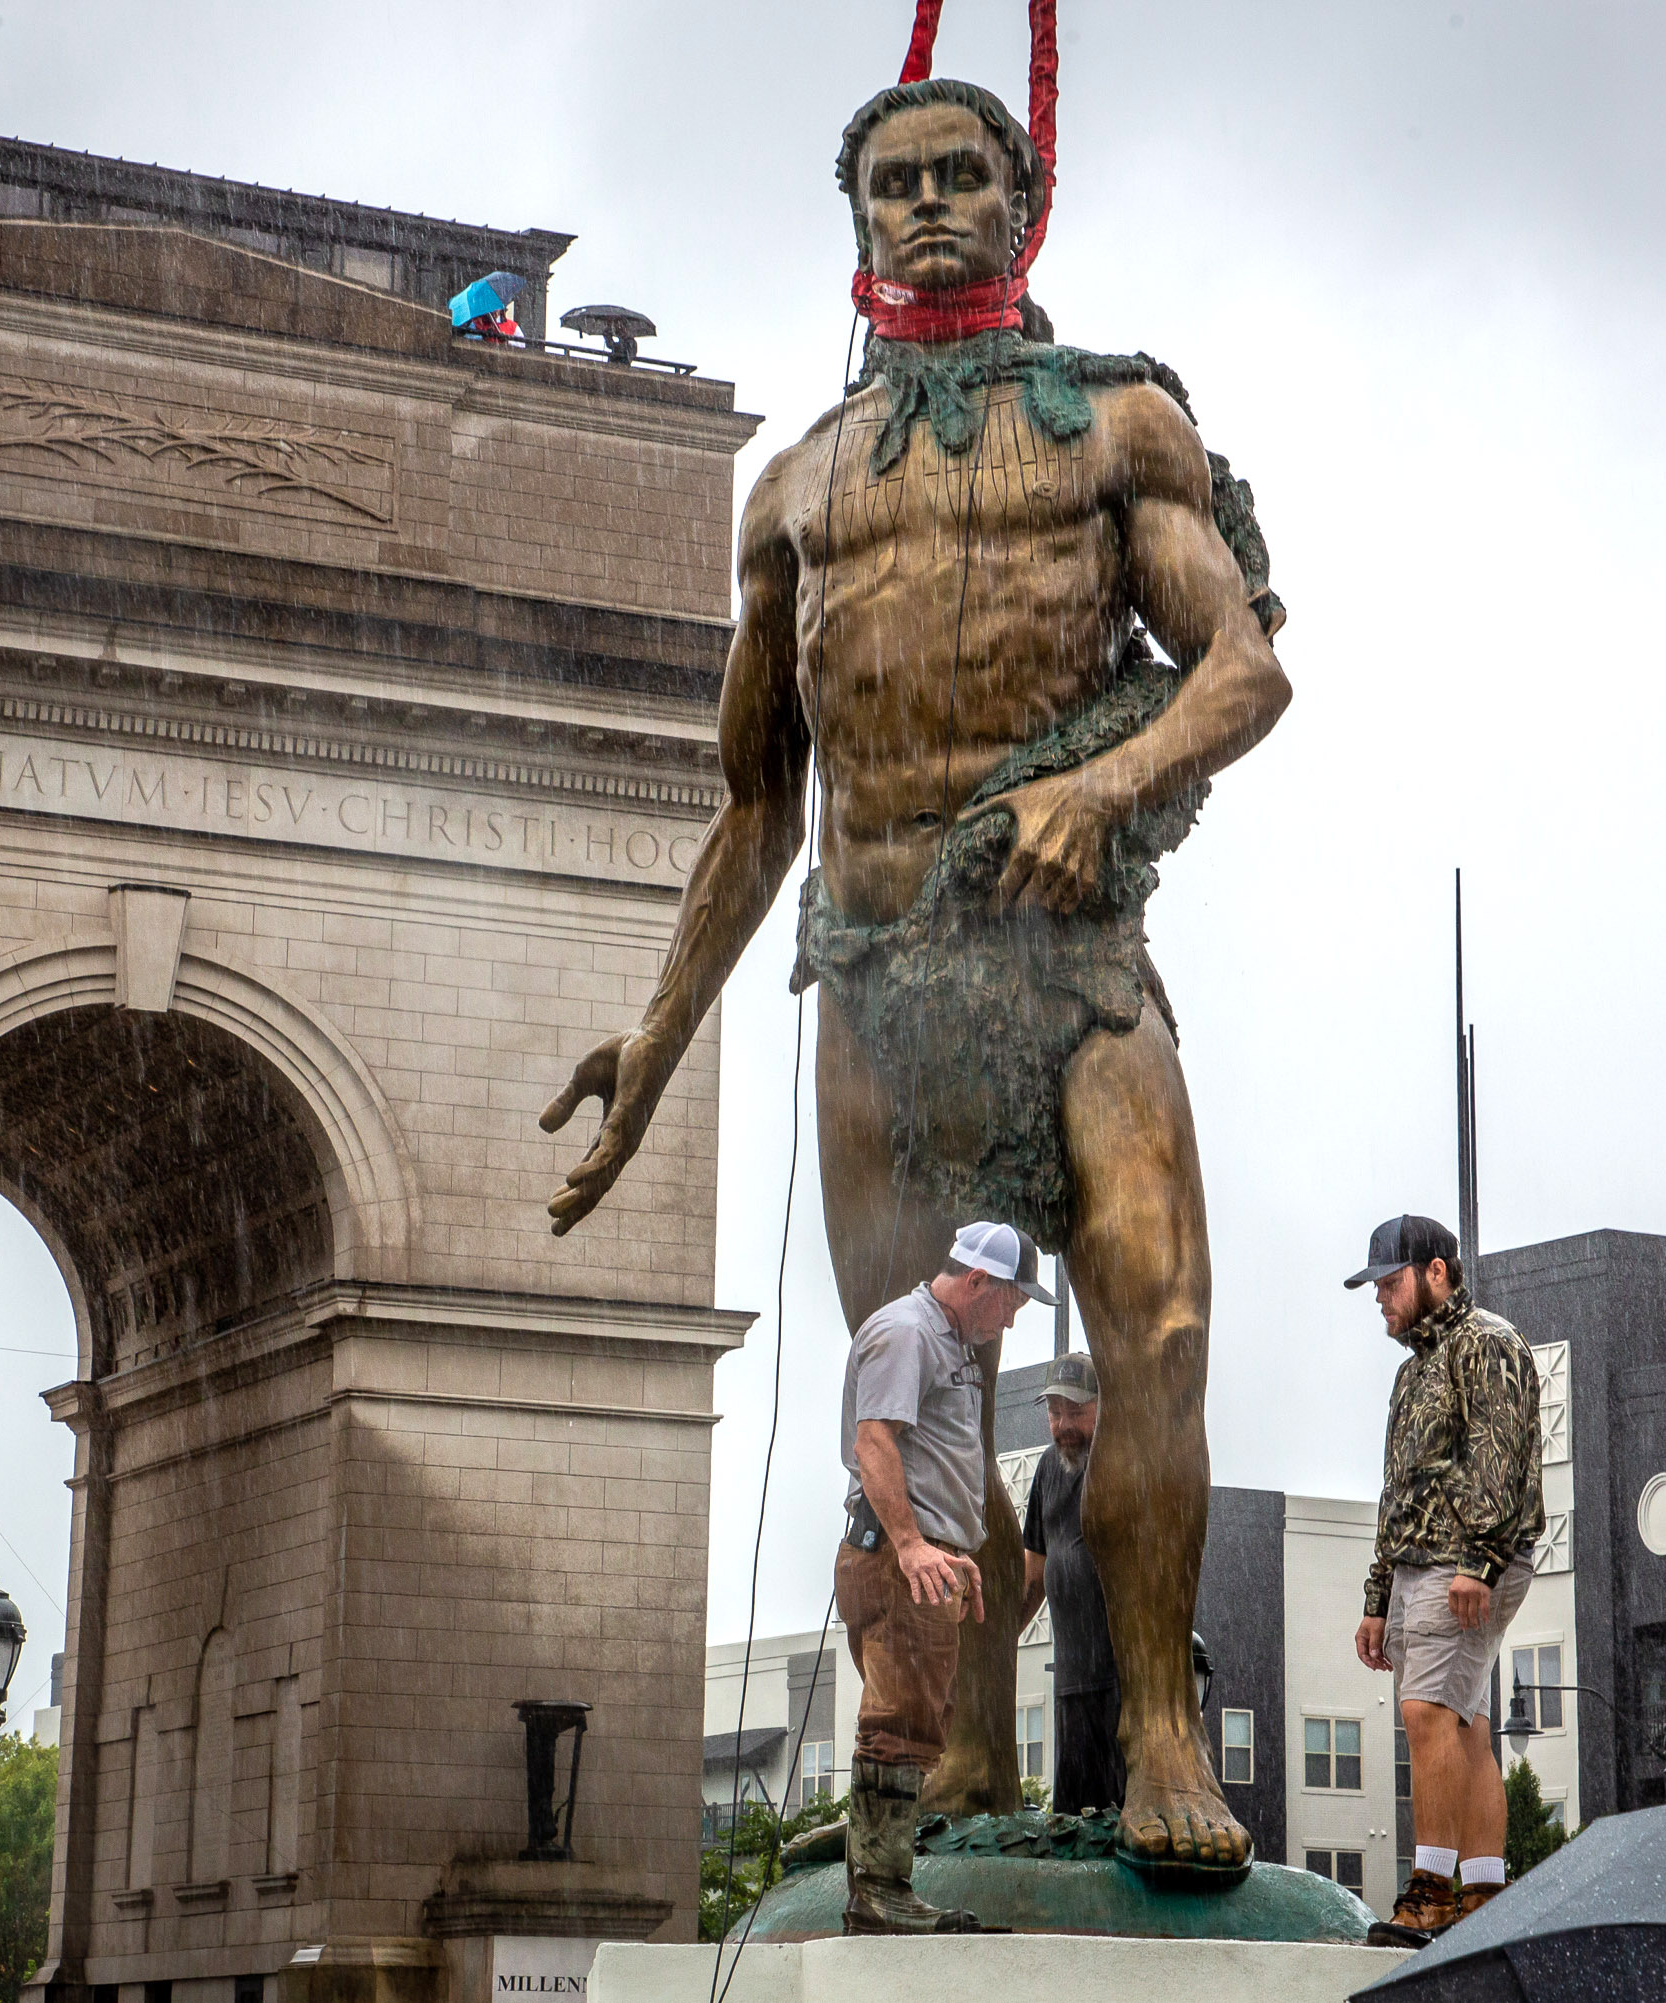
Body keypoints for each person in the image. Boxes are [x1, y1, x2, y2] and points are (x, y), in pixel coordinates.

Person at [541, 70, 1288, 1872]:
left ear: (1021, 207)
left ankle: (1167, 1731)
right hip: (875, 978)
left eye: (963, 175)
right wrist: (651, 1043)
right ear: (857, 218)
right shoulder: (793, 486)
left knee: (1162, 1328)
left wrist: (1099, 784)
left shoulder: (1121, 427)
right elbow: (753, 805)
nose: (929, 203)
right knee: (914, 1395)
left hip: (1073, 960)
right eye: (896, 182)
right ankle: (962, 1743)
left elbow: (1243, 667)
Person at [835, 1220, 1050, 1933]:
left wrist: (943, 1548)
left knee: (918, 1719)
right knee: (898, 1722)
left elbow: (923, 1459)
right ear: (977, 1281)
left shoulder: (946, 1340)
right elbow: (875, 1440)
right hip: (896, 1564)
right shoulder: (908, 1332)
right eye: (1013, 1300)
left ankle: (879, 1879)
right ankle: (878, 1890)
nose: (1013, 1318)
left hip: (916, 1562)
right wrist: (909, 1544)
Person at [1346, 1214, 1543, 1947]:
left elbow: (1499, 1456)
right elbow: (1397, 1489)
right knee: (1466, 1725)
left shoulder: (1487, 1342)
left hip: (1463, 1563)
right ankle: (1486, 1898)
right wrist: (1376, 1598)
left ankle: (1430, 1897)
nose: (1380, 1300)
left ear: (1436, 1271)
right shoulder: (1412, 1371)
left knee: (1427, 1714)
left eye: (1389, 1283)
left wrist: (1481, 1563)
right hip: (1427, 1566)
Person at [1017, 1351, 1122, 1814]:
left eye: (1076, 1412)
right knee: (1072, 1820)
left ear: (1104, 1405)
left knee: (1124, 1817)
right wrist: (1003, 1640)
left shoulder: (1122, 1463)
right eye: (1055, 1412)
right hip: (1071, 1679)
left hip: (1124, 1681)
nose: (1064, 1425)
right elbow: (1034, 1573)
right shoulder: (1046, 1468)